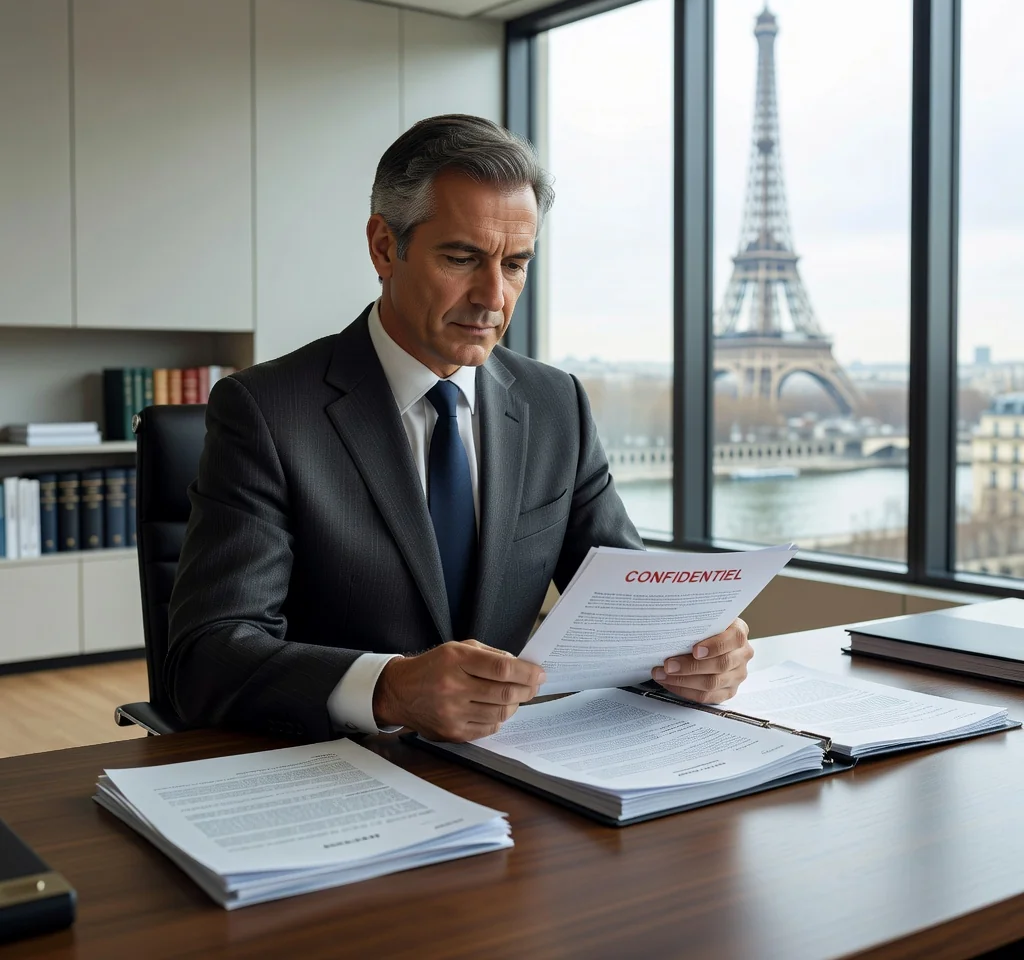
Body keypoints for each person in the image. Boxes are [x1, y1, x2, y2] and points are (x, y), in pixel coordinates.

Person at [165, 114, 753, 743]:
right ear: (385, 247)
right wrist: (388, 688)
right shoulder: (266, 410)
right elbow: (208, 656)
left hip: (515, 768)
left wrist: (695, 650)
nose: (494, 296)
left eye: (516, 264)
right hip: (336, 766)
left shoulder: (556, 403)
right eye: (462, 258)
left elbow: (627, 606)